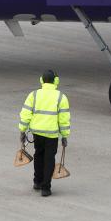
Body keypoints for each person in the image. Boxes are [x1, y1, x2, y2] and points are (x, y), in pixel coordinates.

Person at [19, 69, 71, 197]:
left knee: (38, 155)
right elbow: (64, 119)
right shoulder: (61, 97)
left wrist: (22, 130)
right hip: (52, 135)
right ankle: (46, 188)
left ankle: (37, 181)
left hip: (37, 133)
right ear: (56, 81)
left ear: (41, 80)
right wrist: (64, 136)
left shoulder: (34, 95)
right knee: (49, 159)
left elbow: (25, 114)